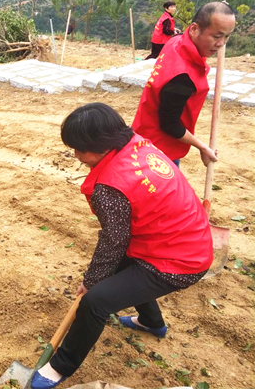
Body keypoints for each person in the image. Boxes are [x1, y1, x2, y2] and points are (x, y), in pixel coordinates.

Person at [31, 103, 213, 389]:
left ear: (101, 146)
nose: (76, 155)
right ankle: (151, 322)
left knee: (96, 301)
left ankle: (60, 365)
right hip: (188, 237)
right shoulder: (137, 143)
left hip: (179, 261)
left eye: (79, 149)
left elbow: (113, 241)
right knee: (122, 268)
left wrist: (91, 282)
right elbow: (120, 240)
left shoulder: (110, 187)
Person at [133, 2, 236, 167]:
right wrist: (202, 147)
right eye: (217, 36)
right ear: (194, 29)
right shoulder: (182, 77)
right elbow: (169, 124)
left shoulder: (177, 41)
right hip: (160, 149)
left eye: (227, 36)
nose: (221, 43)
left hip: (144, 130)